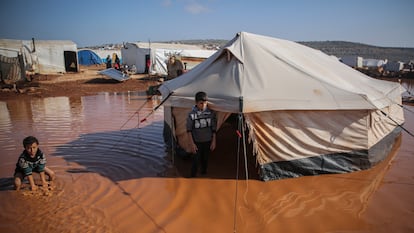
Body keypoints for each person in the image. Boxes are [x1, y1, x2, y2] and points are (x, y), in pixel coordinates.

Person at [186, 91, 217, 177]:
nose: (203, 105)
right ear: (196, 103)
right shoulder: (192, 114)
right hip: (197, 142)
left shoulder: (211, 113)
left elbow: (214, 129)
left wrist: (214, 141)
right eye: (201, 103)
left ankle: (203, 175)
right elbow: (189, 130)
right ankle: (192, 178)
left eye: (205, 103)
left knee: (205, 159)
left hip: (207, 141)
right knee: (196, 160)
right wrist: (191, 144)